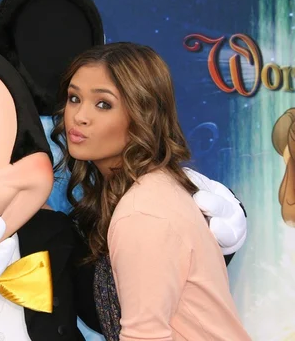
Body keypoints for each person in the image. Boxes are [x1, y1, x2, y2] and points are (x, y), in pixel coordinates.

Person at [52, 42, 251, 340]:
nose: (78, 116)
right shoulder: (150, 188)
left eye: (103, 104)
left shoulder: (142, 212)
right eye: (74, 98)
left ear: (143, 114)